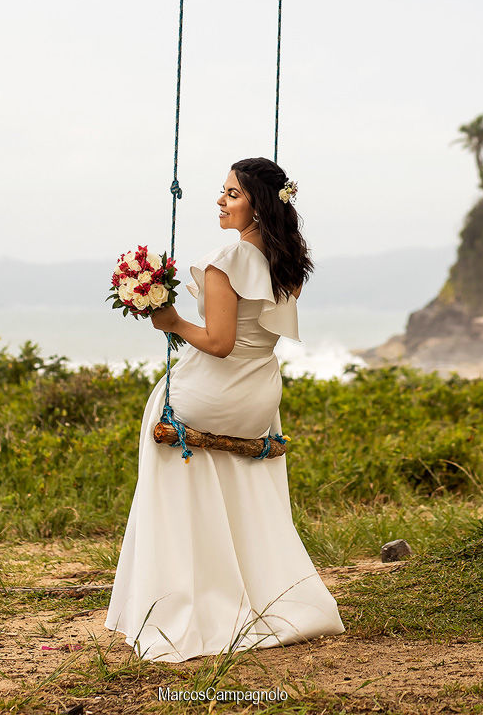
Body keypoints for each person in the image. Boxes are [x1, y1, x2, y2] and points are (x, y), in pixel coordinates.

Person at [103, 156, 346, 662]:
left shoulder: (224, 261)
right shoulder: (287, 262)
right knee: (247, 493)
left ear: (257, 205)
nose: (220, 200)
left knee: (160, 413)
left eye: (232, 193)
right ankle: (270, 596)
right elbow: (254, 336)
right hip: (258, 396)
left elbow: (216, 342)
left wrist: (169, 320)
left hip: (216, 389)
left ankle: (182, 602)